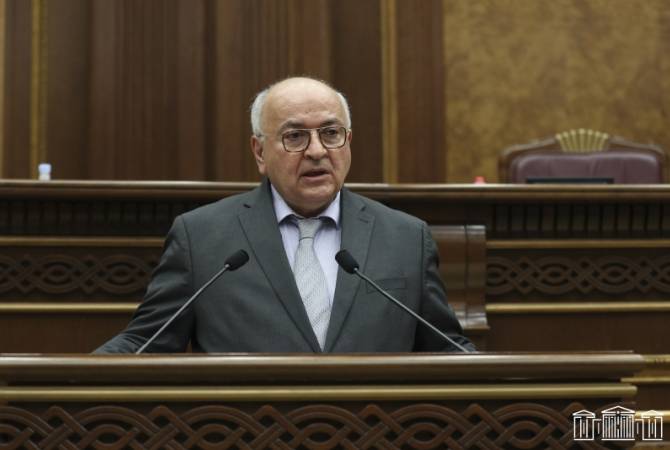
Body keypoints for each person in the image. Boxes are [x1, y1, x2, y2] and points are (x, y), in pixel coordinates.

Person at [95, 77, 474, 353]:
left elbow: (447, 349)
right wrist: (72, 379)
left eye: (331, 133)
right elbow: (145, 342)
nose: (317, 151)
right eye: (295, 136)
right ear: (259, 152)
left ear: (349, 142)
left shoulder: (406, 237)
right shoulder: (202, 238)